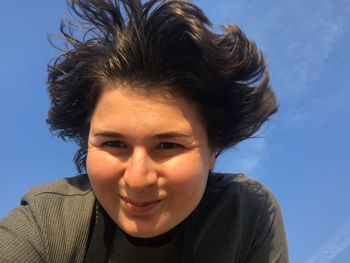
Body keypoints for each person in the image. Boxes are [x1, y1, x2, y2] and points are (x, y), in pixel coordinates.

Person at [0, 0, 288, 262]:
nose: (138, 180)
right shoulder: (47, 222)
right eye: (114, 143)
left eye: (168, 145)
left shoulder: (245, 216)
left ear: (214, 149)